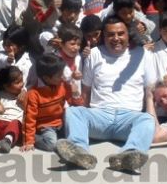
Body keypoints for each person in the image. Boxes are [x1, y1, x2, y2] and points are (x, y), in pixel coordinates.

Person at [55, 16, 157, 172]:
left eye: (120, 33)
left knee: (146, 119)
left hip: (129, 119)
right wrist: (83, 116)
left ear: (128, 34)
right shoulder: (94, 54)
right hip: (100, 117)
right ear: (104, 36)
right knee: (74, 111)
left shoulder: (143, 55)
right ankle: (79, 151)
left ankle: (128, 155)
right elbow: (86, 90)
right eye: (110, 34)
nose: (116, 38)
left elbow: (149, 92)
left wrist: (154, 122)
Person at [22, 54, 82, 152]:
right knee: (51, 145)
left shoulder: (62, 85)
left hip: (61, 122)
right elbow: (29, 119)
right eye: (59, 75)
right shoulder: (33, 94)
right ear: (46, 78)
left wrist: (75, 94)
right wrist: (29, 141)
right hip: (45, 126)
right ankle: (33, 137)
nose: (62, 77)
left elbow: (74, 105)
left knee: (77, 136)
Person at [0, 66, 26, 154]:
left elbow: (29, 112)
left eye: (22, 81)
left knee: (16, 124)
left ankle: (7, 141)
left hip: (12, 125)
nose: (22, 84)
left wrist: (25, 99)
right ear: (6, 86)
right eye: (18, 82)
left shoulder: (24, 96)